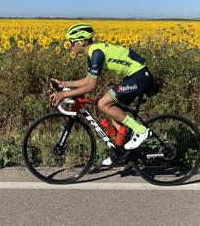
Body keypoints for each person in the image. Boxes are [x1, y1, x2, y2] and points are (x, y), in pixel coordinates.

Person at [50, 23, 154, 166]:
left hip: (139, 75)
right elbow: (88, 80)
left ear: (82, 41)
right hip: (136, 76)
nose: (70, 46)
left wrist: (63, 95)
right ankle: (120, 152)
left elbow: (91, 86)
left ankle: (141, 130)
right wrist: (64, 84)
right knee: (113, 111)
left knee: (103, 103)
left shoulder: (97, 53)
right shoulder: (92, 53)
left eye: (72, 42)